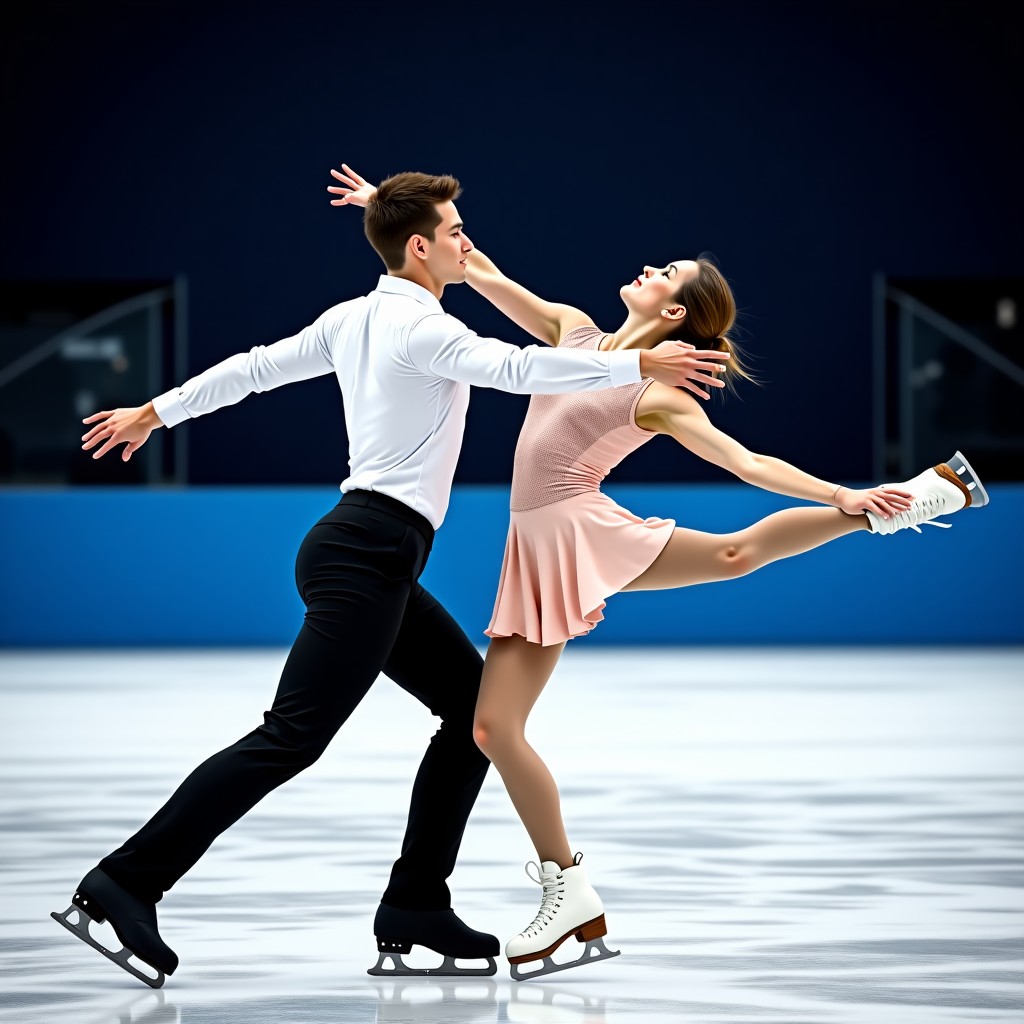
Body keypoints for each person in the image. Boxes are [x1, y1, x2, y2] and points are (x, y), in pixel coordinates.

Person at [50, 168, 731, 989]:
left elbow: (251, 369)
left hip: (373, 551)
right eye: (453, 232)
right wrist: (636, 371)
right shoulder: (424, 332)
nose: (465, 242)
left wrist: (154, 412)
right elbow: (521, 370)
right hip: (366, 550)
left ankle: (415, 905)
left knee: (472, 710)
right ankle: (124, 883)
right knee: (291, 737)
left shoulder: (355, 317)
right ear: (419, 247)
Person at [460, 248, 990, 979]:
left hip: (576, 529)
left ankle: (889, 507)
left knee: (734, 557)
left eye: (666, 274)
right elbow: (482, 272)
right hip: (537, 541)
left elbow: (747, 463)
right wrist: (396, 214)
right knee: (494, 727)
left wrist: (838, 493)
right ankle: (572, 890)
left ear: (674, 312)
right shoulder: (574, 334)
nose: (647, 268)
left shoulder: (659, 396)